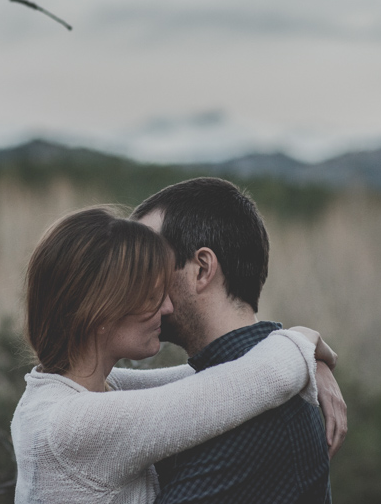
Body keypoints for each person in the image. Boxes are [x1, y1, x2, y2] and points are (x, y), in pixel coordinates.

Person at [11, 205, 340, 504]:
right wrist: (304, 341)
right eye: (151, 295)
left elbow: (209, 379)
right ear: (99, 311)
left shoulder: (65, 395)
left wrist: (304, 355)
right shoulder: (75, 426)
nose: (166, 307)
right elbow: (249, 384)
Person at [131, 177, 347, 504]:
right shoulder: (233, 386)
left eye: (149, 263)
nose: (132, 283)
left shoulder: (261, 417)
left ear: (202, 269)